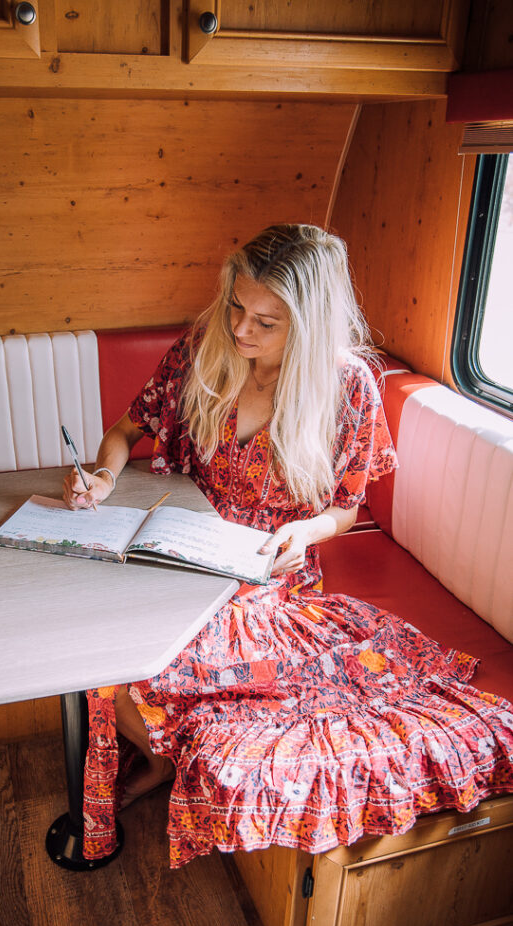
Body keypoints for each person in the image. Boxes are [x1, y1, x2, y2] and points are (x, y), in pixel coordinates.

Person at [63, 224, 513, 869]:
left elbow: (345, 508)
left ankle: (174, 762)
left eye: (267, 322)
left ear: (308, 325)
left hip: (268, 571)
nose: (242, 330)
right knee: (97, 662)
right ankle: (175, 759)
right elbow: (124, 430)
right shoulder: (203, 350)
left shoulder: (348, 386)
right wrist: (102, 477)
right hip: (178, 546)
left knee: (150, 683)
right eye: (236, 307)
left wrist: (308, 530)